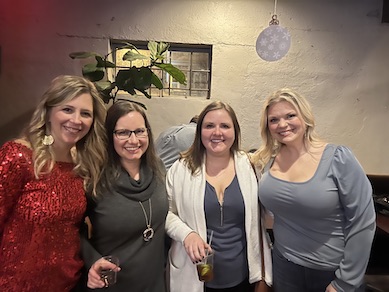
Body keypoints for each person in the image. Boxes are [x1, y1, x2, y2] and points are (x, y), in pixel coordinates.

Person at [250, 88, 376, 292]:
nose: (282, 124)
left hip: (331, 271)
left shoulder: (338, 158)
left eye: (290, 115)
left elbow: (363, 221)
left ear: (305, 117)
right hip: (284, 265)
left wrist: (345, 282)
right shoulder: (266, 161)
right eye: (274, 120)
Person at [0, 75, 107, 291]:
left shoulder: (82, 167)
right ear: (48, 112)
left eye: (85, 113)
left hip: (68, 283)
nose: (76, 120)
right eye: (67, 109)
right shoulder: (18, 157)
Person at [165, 101, 272, 292]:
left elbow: (264, 220)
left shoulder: (251, 167)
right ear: (200, 132)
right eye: (209, 126)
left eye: (225, 126)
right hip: (195, 275)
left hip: (242, 278)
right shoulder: (181, 169)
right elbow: (166, 213)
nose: (217, 132)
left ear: (235, 131)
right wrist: (186, 234)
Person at [82, 100, 168, 291]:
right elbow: (72, 230)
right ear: (109, 136)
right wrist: (92, 260)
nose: (133, 140)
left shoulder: (158, 169)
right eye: (123, 133)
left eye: (139, 131)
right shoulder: (95, 178)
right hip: (112, 283)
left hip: (153, 283)